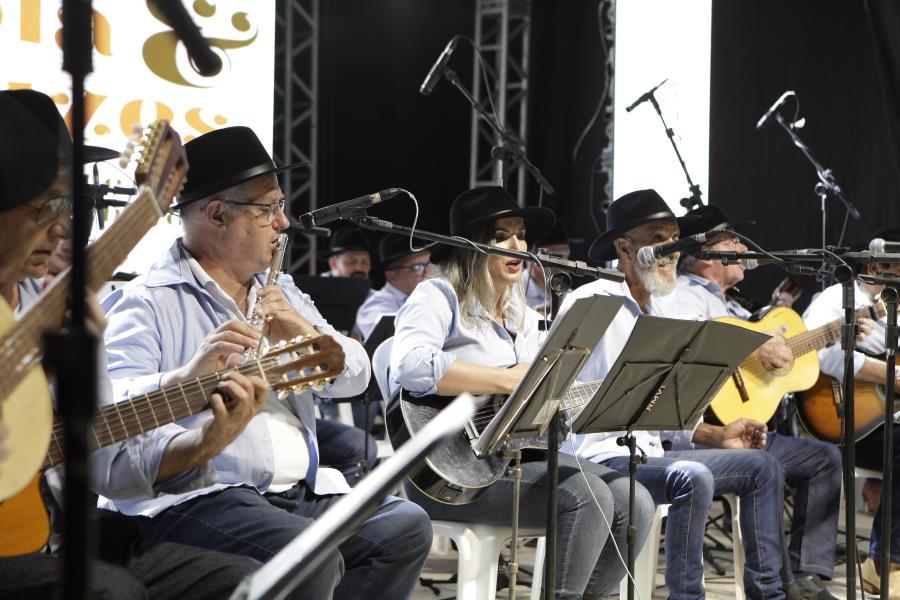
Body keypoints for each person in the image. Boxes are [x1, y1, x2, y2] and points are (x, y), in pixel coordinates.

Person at [93, 125, 432, 600]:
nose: (285, 222)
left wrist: (304, 331)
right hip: (200, 495)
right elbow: (115, 410)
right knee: (308, 554)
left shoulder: (282, 289)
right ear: (217, 214)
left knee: (403, 526)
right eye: (269, 208)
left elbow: (356, 375)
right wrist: (190, 377)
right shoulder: (146, 301)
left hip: (297, 492)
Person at [0, 89, 258, 599]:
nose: (63, 226)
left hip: (43, 534)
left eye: (68, 203)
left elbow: (104, 465)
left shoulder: (49, 299)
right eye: (45, 205)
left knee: (238, 580)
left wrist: (202, 436)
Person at [389, 186, 654, 600]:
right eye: (501, 236)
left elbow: (541, 393)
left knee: (633, 497)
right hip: (452, 472)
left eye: (521, 234)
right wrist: (506, 379)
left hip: (514, 459)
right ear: (469, 246)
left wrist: (604, 394)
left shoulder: (524, 317)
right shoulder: (438, 295)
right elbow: (409, 365)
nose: (519, 246)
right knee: (588, 496)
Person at [561, 189, 794, 600]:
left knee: (762, 467)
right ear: (623, 247)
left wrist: (716, 436)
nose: (671, 250)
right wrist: (614, 396)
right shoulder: (590, 301)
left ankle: (770, 594)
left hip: (651, 454)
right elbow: (556, 397)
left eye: (676, 239)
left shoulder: (665, 312)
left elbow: (665, 411)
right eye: (658, 238)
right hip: (598, 458)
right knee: (694, 476)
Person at [672, 203, 842, 599]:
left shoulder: (734, 303)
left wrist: (817, 335)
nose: (742, 246)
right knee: (764, 467)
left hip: (744, 426)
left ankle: (808, 576)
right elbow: (695, 343)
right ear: (705, 255)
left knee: (825, 460)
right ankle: (773, 587)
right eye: (732, 239)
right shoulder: (684, 296)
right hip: (701, 431)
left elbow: (761, 349)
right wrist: (756, 342)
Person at [802, 228, 900, 597]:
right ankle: (885, 563)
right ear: (877, 265)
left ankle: (884, 562)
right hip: (839, 416)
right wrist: (886, 376)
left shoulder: (893, 305)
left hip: (882, 419)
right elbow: (818, 355)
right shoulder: (837, 297)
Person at [355, 233, 431, 342]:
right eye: (417, 267)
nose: (427, 273)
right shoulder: (373, 309)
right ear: (392, 276)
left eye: (428, 265)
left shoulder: (433, 296)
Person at [521, 219, 574, 311]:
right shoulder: (511, 294)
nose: (566, 262)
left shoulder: (571, 298)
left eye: (567, 256)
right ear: (533, 256)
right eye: (558, 256)